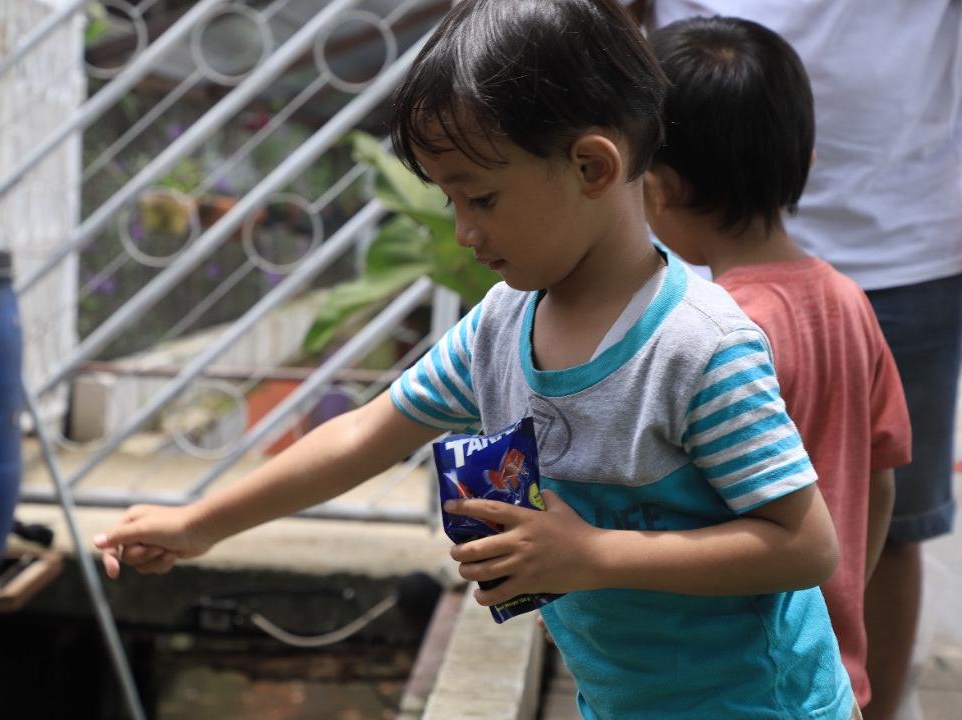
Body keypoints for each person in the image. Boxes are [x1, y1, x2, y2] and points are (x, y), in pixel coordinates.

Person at [95, 1, 855, 716]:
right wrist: (201, 523)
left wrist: (591, 553)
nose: (462, 231)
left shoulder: (698, 347)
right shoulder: (502, 324)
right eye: (451, 201)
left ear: (592, 167)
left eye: (481, 199)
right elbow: (365, 434)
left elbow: (803, 545)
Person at [640, 2, 962, 717]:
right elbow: (882, 484)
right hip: (830, 674)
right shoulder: (850, 301)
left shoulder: (713, 331)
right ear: (808, 163)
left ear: (657, 190)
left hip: (730, 676)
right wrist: (842, 588)